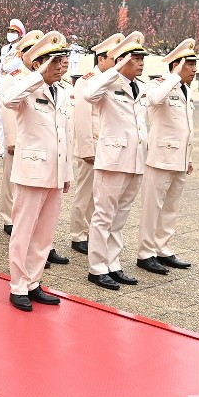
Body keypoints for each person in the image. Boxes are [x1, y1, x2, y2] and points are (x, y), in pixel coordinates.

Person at [2, 32, 73, 311]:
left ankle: (33, 281)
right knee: (24, 231)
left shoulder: (62, 90)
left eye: (61, 60)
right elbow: (9, 100)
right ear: (38, 64)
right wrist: (37, 75)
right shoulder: (25, 87)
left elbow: (64, 135)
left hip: (55, 172)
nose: (59, 66)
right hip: (31, 171)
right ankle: (18, 285)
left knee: (44, 233)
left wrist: (67, 173)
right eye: (53, 61)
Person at [82, 31, 149, 291]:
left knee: (120, 216)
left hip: (135, 160)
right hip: (112, 159)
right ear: (122, 60)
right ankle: (97, 268)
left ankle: (113, 263)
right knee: (103, 215)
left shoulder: (140, 86)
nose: (140, 63)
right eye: (135, 58)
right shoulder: (107, 83)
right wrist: (115, 68)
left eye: (142, 58)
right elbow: (89, 94)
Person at [136, 38, 196, 275]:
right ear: (176, 65)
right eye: (189, 64)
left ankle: (162, 248)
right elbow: (153, 100)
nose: (194, 69)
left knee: (170, 207)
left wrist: (188, 158)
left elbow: (186, 126)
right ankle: (145, 253)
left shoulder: (186, 89)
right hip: (160, 157)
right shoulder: (158, 85)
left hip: (179, 158)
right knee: (153, 208)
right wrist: (174, 76)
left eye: (194, 64)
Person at [69, 33, 123, 255]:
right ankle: (78, 234)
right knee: (85, 193)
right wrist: (86, 149)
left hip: (108, 147)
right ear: (100, 59)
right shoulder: (87, 81)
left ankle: (93, 232)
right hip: (92, 146)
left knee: (100, 195)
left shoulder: (115, 80)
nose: (118, 63)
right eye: (113, 59)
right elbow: (81, 118)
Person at [0, 30, 43, 236]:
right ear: (22, 54)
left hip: (35, 139)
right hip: (17, 137)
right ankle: (9, 218)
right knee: (11, 180)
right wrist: (11, 139)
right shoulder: (14, 77)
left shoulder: (40, 77)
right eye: (30, 51)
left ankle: (27, 218)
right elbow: (6, 108)